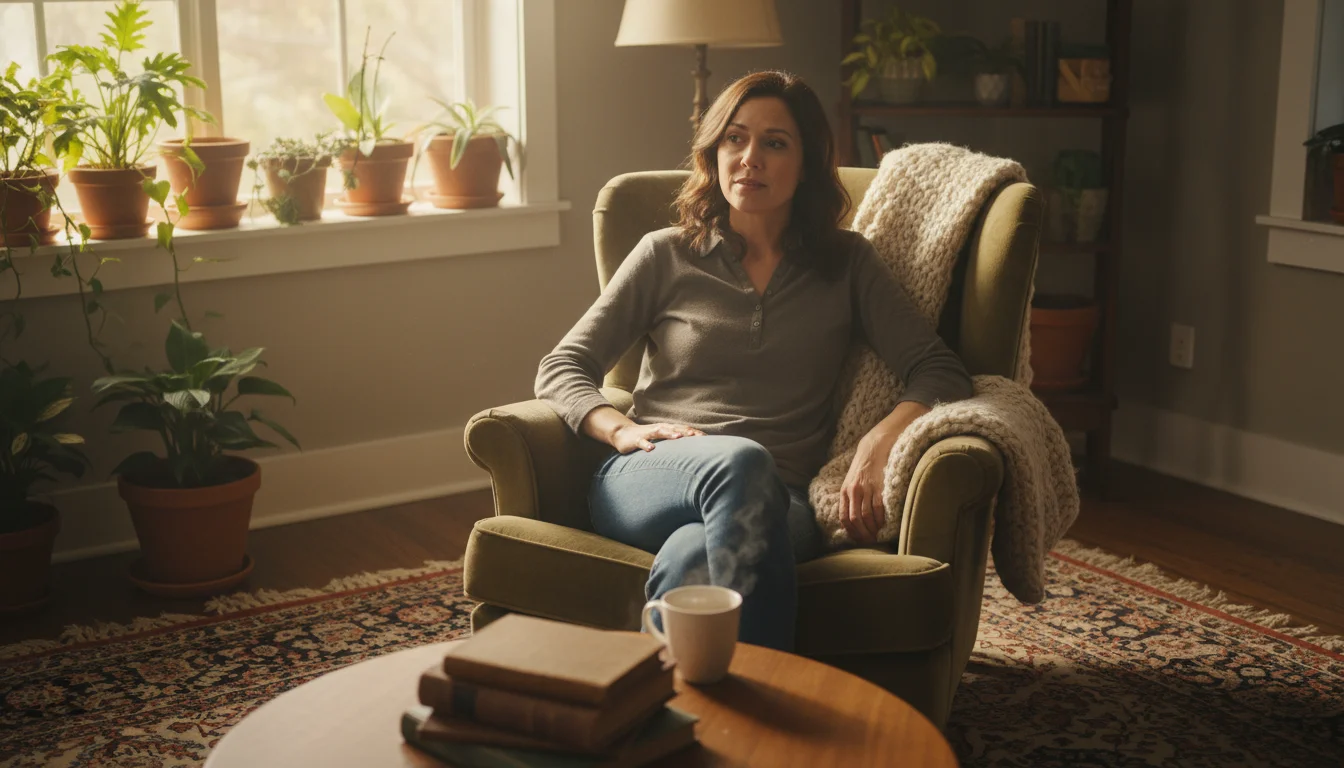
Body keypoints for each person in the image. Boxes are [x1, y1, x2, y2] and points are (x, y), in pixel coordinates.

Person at [536, 70, 973, 652]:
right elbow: (562, 365)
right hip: (649, 474)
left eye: (775, 143)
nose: (749, 158)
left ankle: (667, 692)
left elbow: (940, 369)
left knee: (692, 554)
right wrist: (620, 431)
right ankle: (769, 690)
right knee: (740, 461)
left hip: (782, 499)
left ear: (807, 163)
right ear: (714, 153)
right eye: (734, 139)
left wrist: (879, 440)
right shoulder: (665, 254)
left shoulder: (846, 264)